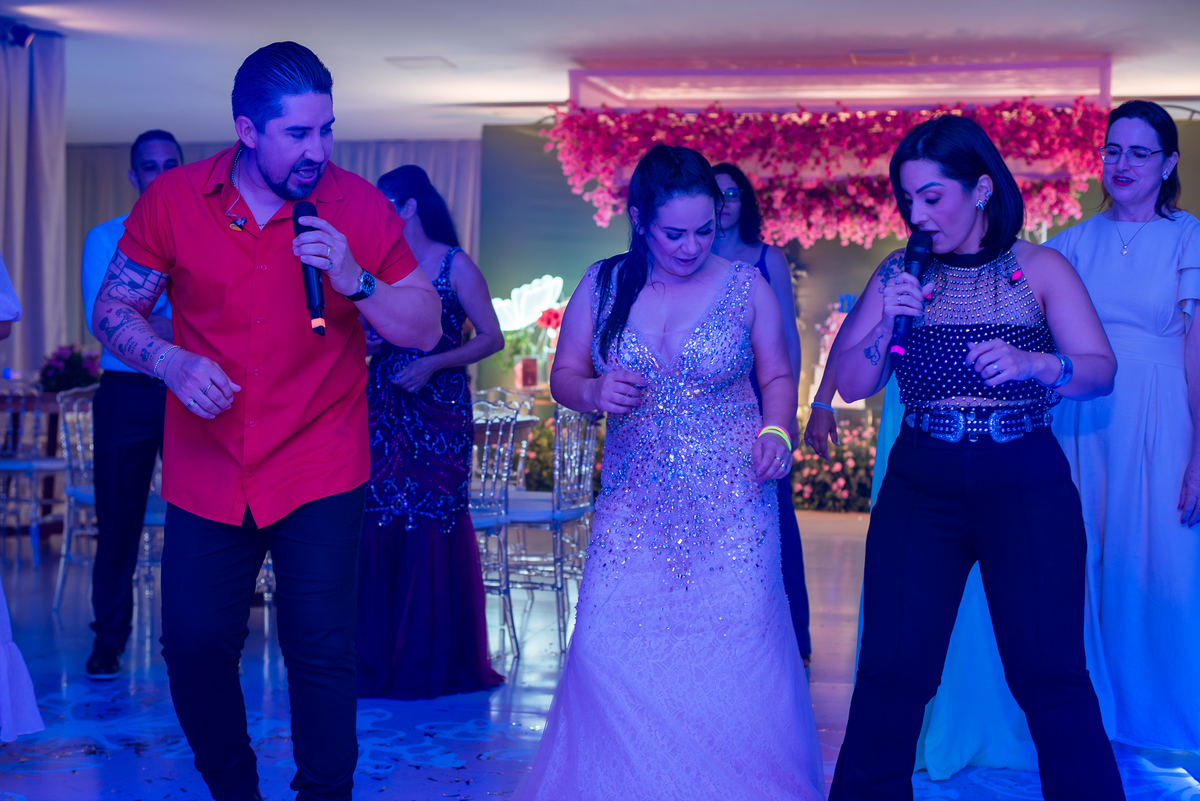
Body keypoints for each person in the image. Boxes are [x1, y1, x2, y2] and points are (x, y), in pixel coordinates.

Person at [90, 42, 441, 801]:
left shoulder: (359, 207)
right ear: (248, 130)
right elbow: (113, 309)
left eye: (327, 130)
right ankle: (236, 791)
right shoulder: (175, 200)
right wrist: (169, 362)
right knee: (190, 644)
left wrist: (357, 278)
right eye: (298, 134)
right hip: (208, 464)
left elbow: (423, 325)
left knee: (319, 648)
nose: (318, 150)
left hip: (320, 458)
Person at [829, 114, 1125, 800]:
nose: (918, 212)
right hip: (922, 480)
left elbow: (1099, 369)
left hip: (1023, 476)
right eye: (908, 199)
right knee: (891, 671)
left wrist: (1034, 360)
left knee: (1050, 672)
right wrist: (887, 326)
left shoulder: (1038, 267)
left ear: (982, 188)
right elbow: (852, 382)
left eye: (933, 196)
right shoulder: (900, 273)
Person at [517, 144, 823, 800]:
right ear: (638, 219)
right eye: (674, 233)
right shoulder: (602, 284)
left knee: (737, 651)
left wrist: (776, 427)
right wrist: (593, 393)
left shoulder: (747, 285)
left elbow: (775, 372)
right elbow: (564, 374)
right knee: (608, 646)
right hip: (634, 504)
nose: (690, 247)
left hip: (732, 505)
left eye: (705, 231)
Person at [356, 165, 505, 699]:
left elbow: (492, 338)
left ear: (410, 206)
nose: (376, 214)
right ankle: (376, 659)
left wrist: (435, 363)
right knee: (379, 515)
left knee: (430, 518)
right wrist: (370, 342)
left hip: (437, 409)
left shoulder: (452, 263)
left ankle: (430, 661)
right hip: (381, 403)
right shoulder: (376, 264)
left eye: (384, 204)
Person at [79, 128, 181, 680]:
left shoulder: (199, 235)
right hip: (126, 393)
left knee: (202, 520)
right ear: (134, 175)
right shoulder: (106, 237)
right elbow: (109, 326)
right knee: (118, 523)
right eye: (149, 165)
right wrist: (178, 323)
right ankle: (109, 639)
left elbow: (138, 319)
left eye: (170, 164)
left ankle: (194, 642)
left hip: (189, 391)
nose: (159, 174)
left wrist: (143, 318)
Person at [710, 162, 811, 664]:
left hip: (761, 397)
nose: (725, 201)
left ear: (744, 201)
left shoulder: (767, 259)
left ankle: (787, 633)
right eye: (716, 193)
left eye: (733, 193)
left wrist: (785, 417)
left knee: (771, 512)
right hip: (708, 399)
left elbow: (788, 340)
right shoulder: (689, 256)